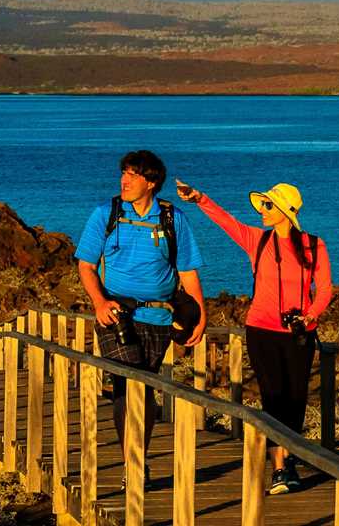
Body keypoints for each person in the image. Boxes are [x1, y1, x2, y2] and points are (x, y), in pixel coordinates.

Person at [176, 178, 331, 495]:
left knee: (295, 400)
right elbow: (226, 221)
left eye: (268, 205)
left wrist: (309, 316)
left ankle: (287, 460)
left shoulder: (314, 246)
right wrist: (199, 198)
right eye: (262, 204)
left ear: (285, 211)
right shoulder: (257, 240)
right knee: (273, 398)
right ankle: (280, 467)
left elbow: (325, 289)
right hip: (261, 330)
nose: (262, 209)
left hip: (299, 334)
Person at [75, 149, 207, 475]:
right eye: (123, 173)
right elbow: (86, 265)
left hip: (160, 318)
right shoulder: (105, 213)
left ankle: (139, 458)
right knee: (127, 381)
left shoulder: (172, 219)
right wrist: (99, 303)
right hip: (116, 314)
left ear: (151, 182)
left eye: (133, 175)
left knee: (144, 388)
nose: (124, 180)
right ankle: (131, 465)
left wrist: (200, 315)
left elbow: (188, 272)